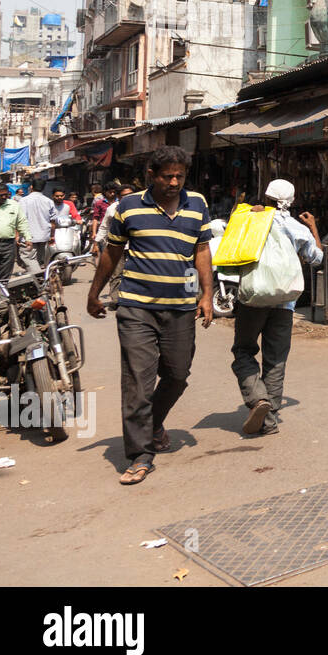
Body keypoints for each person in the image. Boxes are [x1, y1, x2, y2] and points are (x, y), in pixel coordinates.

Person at [86, 147, 213, 485]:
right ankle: (141, 455)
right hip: (136, 306)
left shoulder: (197, 204)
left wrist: (208, 296)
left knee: (178, 374)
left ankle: (154, 422)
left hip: (181, 308)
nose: (174, 182)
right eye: (167, 176)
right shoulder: (128, 206)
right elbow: (112, 251)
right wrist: (94, 292)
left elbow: (202, 250)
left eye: (179, 176)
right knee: (138, 383)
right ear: (152, 176)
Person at [230, 180, 323, 437]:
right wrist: (313, 227)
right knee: (276, 359)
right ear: (291, 202)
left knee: (243, 351)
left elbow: (229, 244)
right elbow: (317, 258)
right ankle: (268, 420)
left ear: (266, 197)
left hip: (253, 298)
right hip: (285, 301)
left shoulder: (250, 218)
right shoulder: (296, 226)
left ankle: (258, 400)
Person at [95, 184, 135, 308]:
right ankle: (116, 299)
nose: (128, 198)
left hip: (135, 247)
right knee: (116, 273)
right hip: (116, 246)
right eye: (124, 196)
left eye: (130, 195)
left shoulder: (141, 209)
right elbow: (104, 226)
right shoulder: (112, 209)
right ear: (118, 197)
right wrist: (96, 243)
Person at [0, 182, 31, 280]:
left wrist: (27, 237)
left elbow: (22, 222)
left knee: (5, 274)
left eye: (6, 194)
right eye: (1, 195)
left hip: (8, 245)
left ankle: (2, 292)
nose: (4, 197)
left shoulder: (14, 205)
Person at [18, 181, 55, 271]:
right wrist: (52, 235)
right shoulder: (48, 201)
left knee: (28, 258)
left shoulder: (24, 200)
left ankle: (39, 279)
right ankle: (35, 278)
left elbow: (19, 219)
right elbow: (53, 222)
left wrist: (17, 235)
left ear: (31, 187)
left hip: (29, 236)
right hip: (43, 236)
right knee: (37, 260)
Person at [91, 182, 117, 258]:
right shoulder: (99, 203)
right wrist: (94, 233)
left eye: (114, 192)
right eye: (110, 192)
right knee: (105, 255)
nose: (112, 194)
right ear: (105, 192)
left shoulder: (119, 202)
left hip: (117, 231)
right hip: (104, 232)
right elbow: (95, 218)